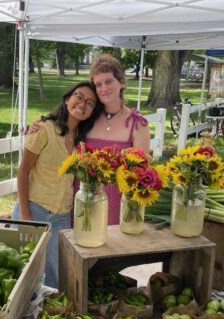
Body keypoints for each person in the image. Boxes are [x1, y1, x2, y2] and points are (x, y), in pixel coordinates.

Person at [28, 54, 150, 225]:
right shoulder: (87, 118)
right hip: (83, 200)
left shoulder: (136, 124)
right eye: (98, 84)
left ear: (121, 82)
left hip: (117, 203)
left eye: (108, 81)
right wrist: (37, 125)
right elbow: (63, 125)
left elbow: (141, 175)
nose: (103, 88)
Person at [13, 82, 100, 288]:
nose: (82, 104)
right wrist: (26, 215)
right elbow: (23, 171)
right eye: (79, 96)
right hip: (35, 210)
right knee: (28, 273)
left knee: (56, 275)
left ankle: (49, 317)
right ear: (67, 98)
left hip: (62, 217)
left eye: (90, 103)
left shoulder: (82, 142)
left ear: (91, 113)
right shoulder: (44, 129)